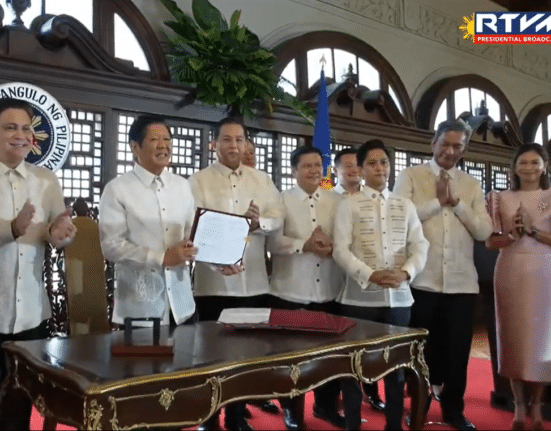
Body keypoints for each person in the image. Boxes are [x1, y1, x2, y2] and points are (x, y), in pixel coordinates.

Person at [394, 120, 493, 431]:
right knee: (422, 352)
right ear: (432, 143)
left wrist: (457, 203)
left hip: (462, 282)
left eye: (458, 146)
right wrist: (437, 202)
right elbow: (399, 217)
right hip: (422, 280)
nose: (451, 151)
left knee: (457, 352)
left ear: (465, 149)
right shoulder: (411, 176)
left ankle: (454, 410)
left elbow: (484, 230)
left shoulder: (470, 183)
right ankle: (419, 407)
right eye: (446, 144)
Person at [188, 117, 283, 431]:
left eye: (239, 140)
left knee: (245, 357)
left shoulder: (262, 180)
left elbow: (277, 218)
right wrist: (230, 229)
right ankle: (209, 418)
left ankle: (237, 415)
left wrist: (257, 224)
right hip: (212, 283)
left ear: (246, 143)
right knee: (210, 355)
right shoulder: (198, 181)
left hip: (253, 281)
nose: (233, 146)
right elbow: (195, 228)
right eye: (226, 140)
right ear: (214, 143)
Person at [334, 139, 429, 431]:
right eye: (372, 163)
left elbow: (420, 244)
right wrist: (370, 275)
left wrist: (407, 273)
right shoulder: (348, 204)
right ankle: (352, 424)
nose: (380, 168)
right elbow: (340, 249)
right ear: (361, 170)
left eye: (384, 162)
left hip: (399, 300)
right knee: (352, 369)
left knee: (397, 370)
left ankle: (393, 426)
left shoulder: (405, 204)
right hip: (358, 299)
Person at [0, 98, 76, 430]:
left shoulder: (46, 180)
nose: (20, 135)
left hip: (32, 312)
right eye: (10, 127)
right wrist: (10, 229)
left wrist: (61, 234)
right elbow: (17, 229)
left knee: (20, 401)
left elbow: (59, 233)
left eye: (26, 128)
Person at [267, 145, 344, 430]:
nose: (314, 171)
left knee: (330, 358)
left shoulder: (337, 201)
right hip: (290, 291)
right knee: (291, 360)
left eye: (318, 165)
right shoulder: (280, 200)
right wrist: (305, 245)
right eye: (307, 166)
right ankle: (291, 410)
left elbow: (346, 239)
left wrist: (332, 245)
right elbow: (272, 243)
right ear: (293, 170)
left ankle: (325, 407)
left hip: (329, 291)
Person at [99, 114, 197, 329]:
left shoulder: (182, 186)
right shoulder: (117, 189)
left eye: (168, 139)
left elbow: (193, 235)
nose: (163, 145)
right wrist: (161, 258)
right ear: (135, 147)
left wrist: (220, 259)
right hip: (139, 309)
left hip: (182, 307)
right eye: (154, 140)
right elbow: (111, 247)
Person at [485, 143, 551, 431]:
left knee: (541, 340)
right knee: (513, 338)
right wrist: (513, 233)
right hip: (510, 269)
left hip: (544, 271)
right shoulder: (500, 198)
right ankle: (519, 404)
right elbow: (490, 242)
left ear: (544, 166)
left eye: (534, 162)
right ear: (513, 167)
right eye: (522, 162)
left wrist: (533, 231)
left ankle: (537, 404)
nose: (528, 167)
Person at [332, 146, 385, 413]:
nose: (353, 169)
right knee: (344, 351)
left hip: (371, 286)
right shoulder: (330, 199)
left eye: (357, 165)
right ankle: (338, 399)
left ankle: (373, 393)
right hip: (334, 284)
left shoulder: (381, 200)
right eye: (347, 166)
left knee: (374, 349)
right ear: (336, 171)